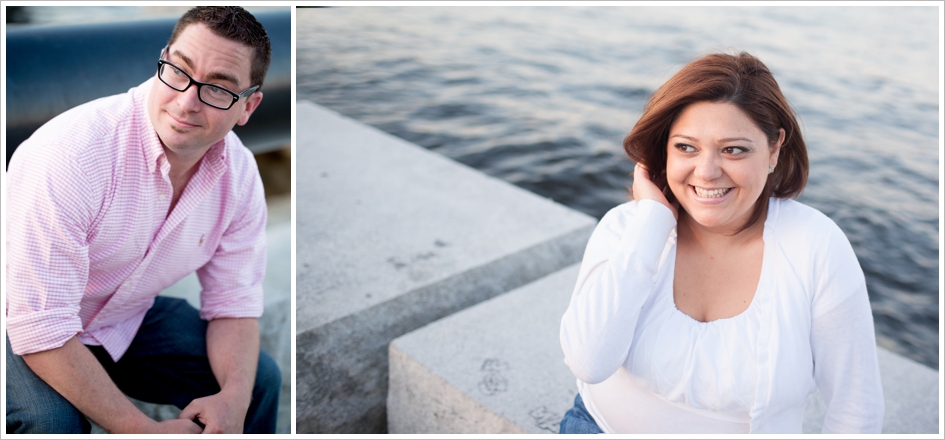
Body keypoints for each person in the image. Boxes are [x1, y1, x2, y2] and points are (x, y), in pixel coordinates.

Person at [558, 52, 884, 434]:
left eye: (733, 149)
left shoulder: (816, 246)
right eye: (686, 147)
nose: (707, 172)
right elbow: (589, 363)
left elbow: (855, 404)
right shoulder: (628, 228)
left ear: (774, 149)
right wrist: (652, 222)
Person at [6, 7, 281, 434]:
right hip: (17, 315)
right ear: (162, 59)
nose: (186, 102)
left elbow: (234, 303)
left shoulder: (240, 177)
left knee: (257, 383)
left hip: (120, 317)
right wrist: (141, 429)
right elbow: (40, 324)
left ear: (248, 107)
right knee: (51, 422)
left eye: (218, 90)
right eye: (178, 71)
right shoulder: (73, 155)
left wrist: (233, 401)